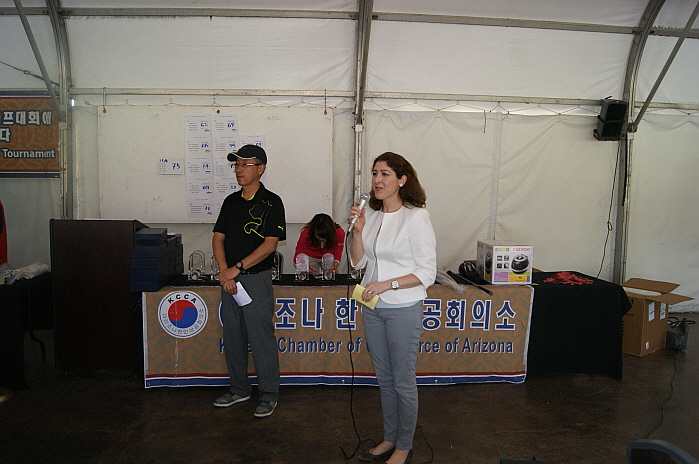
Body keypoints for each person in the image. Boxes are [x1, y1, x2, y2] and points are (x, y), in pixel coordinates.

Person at [349, 152, 437, 464]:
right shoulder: (371, 215)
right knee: (384, 378)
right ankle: (390, 437)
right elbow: (357, 262)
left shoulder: (416, 217)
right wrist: (357, 231)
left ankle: (404, 445)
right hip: (372, 305)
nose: (377, 180)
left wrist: (389, 284)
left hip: (403, 307)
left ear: (402, 180)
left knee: (402, 380)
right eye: (375, 173)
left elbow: (427, 272)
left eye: (385, 174)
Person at [212, 144, 286, 418]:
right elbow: (218, 238)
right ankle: (239, 389)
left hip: (255, 280)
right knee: (233, 337)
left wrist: (237, 269)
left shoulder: (272, 202)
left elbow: (269, 245)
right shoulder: (230, 202)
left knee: (261, 338)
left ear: (261, 168)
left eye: (246, 164)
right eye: (237, 165)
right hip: (229, 281)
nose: (239, 170)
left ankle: (268, 394)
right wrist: (225, 272)